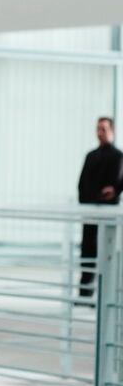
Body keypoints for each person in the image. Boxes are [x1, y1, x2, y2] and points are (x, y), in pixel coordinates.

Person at [77, 116, 123, 300]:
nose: (99, 132)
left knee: (106, 253)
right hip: (90, 212)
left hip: (107, 214)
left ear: (112, 131)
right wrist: (88, 202)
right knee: (87, 250)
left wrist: (113, 191)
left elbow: (116, 185)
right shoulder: (91, 155)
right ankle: (84, 293)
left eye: (103, 129)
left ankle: (106, 296)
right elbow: (81, 184)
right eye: (98, 128)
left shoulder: (118, 156)